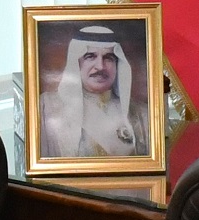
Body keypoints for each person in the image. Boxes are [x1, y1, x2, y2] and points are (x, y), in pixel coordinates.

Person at [39, 25, 151, 157]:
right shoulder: (47, 107)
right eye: (90, 56)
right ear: (76, 62)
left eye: (108, 58)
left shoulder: (142, 114)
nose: (100, 66)